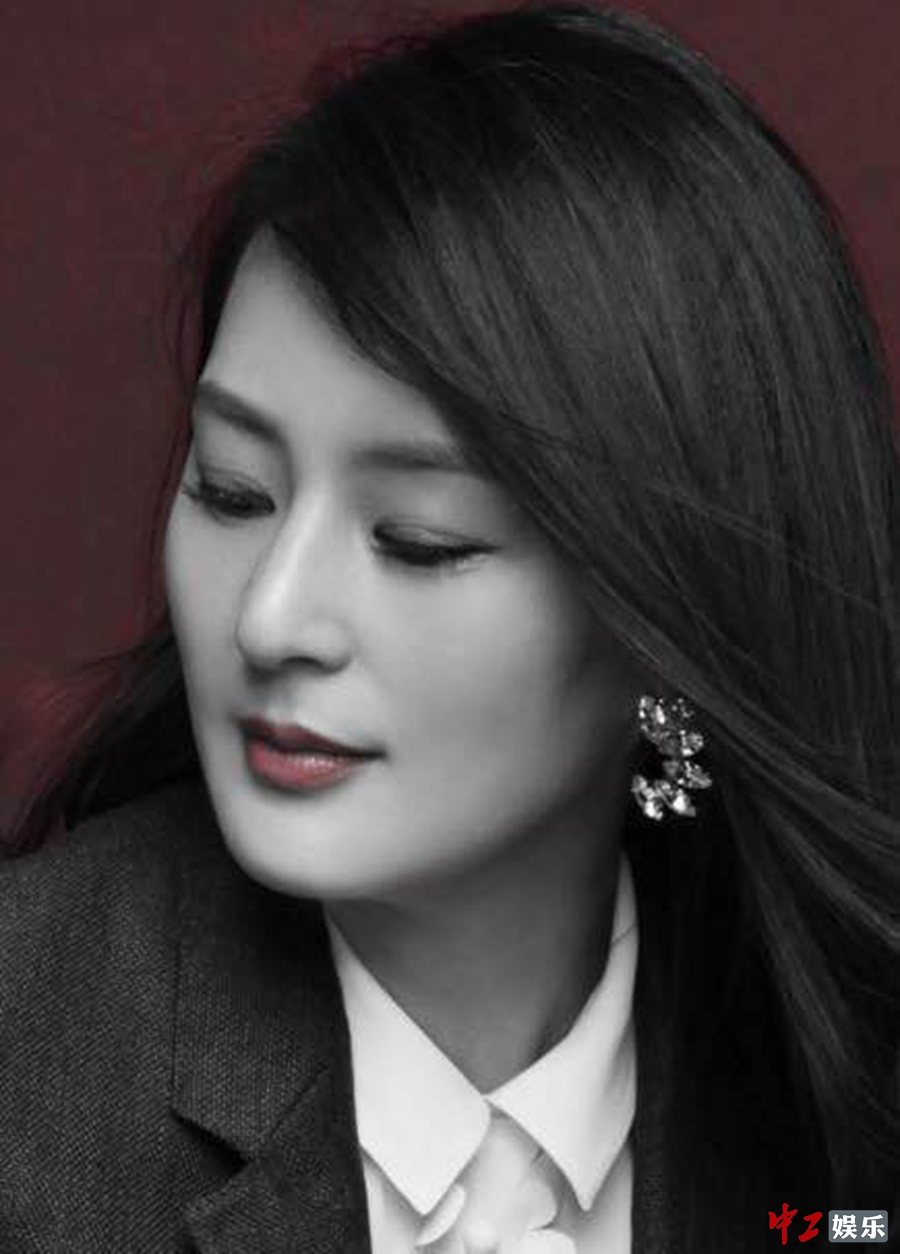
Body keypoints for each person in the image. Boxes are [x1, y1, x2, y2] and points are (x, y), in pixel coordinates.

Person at [1, 3, 898, 1251]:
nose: (270, 617)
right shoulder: (33, 1058)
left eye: (419, 539)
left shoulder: (840, 1107)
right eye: (232, 492)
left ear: (672, 616)